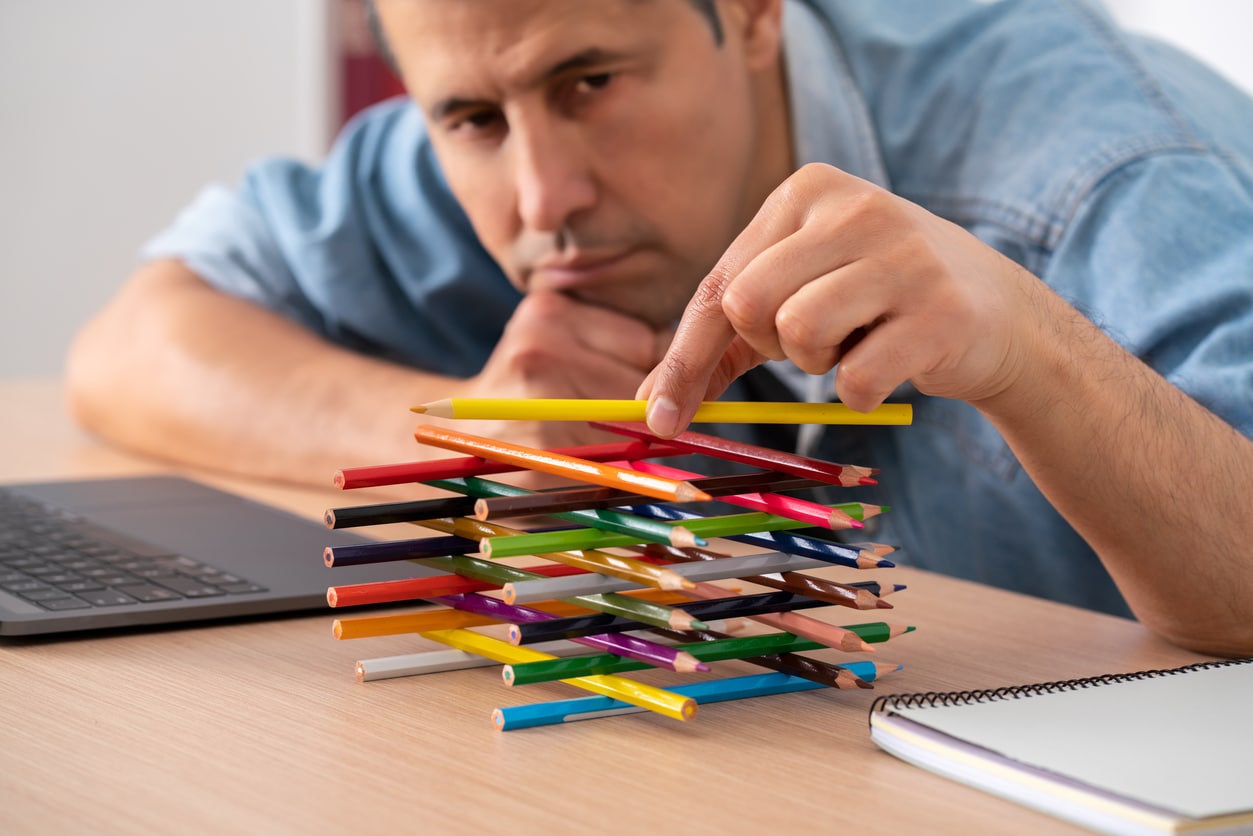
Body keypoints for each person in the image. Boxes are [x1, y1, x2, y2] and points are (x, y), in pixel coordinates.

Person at [66, 0, 1253, 656]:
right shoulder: (500, 109)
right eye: (473, 118)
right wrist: (466, 431)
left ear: (747, 16)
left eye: (590, 83)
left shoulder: (1107, 174)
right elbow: (131, 342)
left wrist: (1034, 357)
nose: (543, 199)